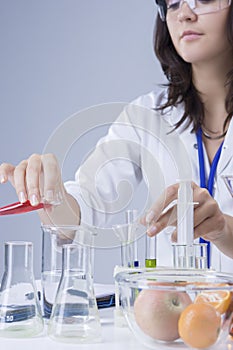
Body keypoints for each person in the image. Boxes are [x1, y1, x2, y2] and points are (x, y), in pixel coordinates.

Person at [0, 0, 233, 271]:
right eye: (173, 3)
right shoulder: (146, 116)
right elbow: (84, 209)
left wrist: (223, 229)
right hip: (170, 312)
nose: (184, 14)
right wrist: (52, 196)